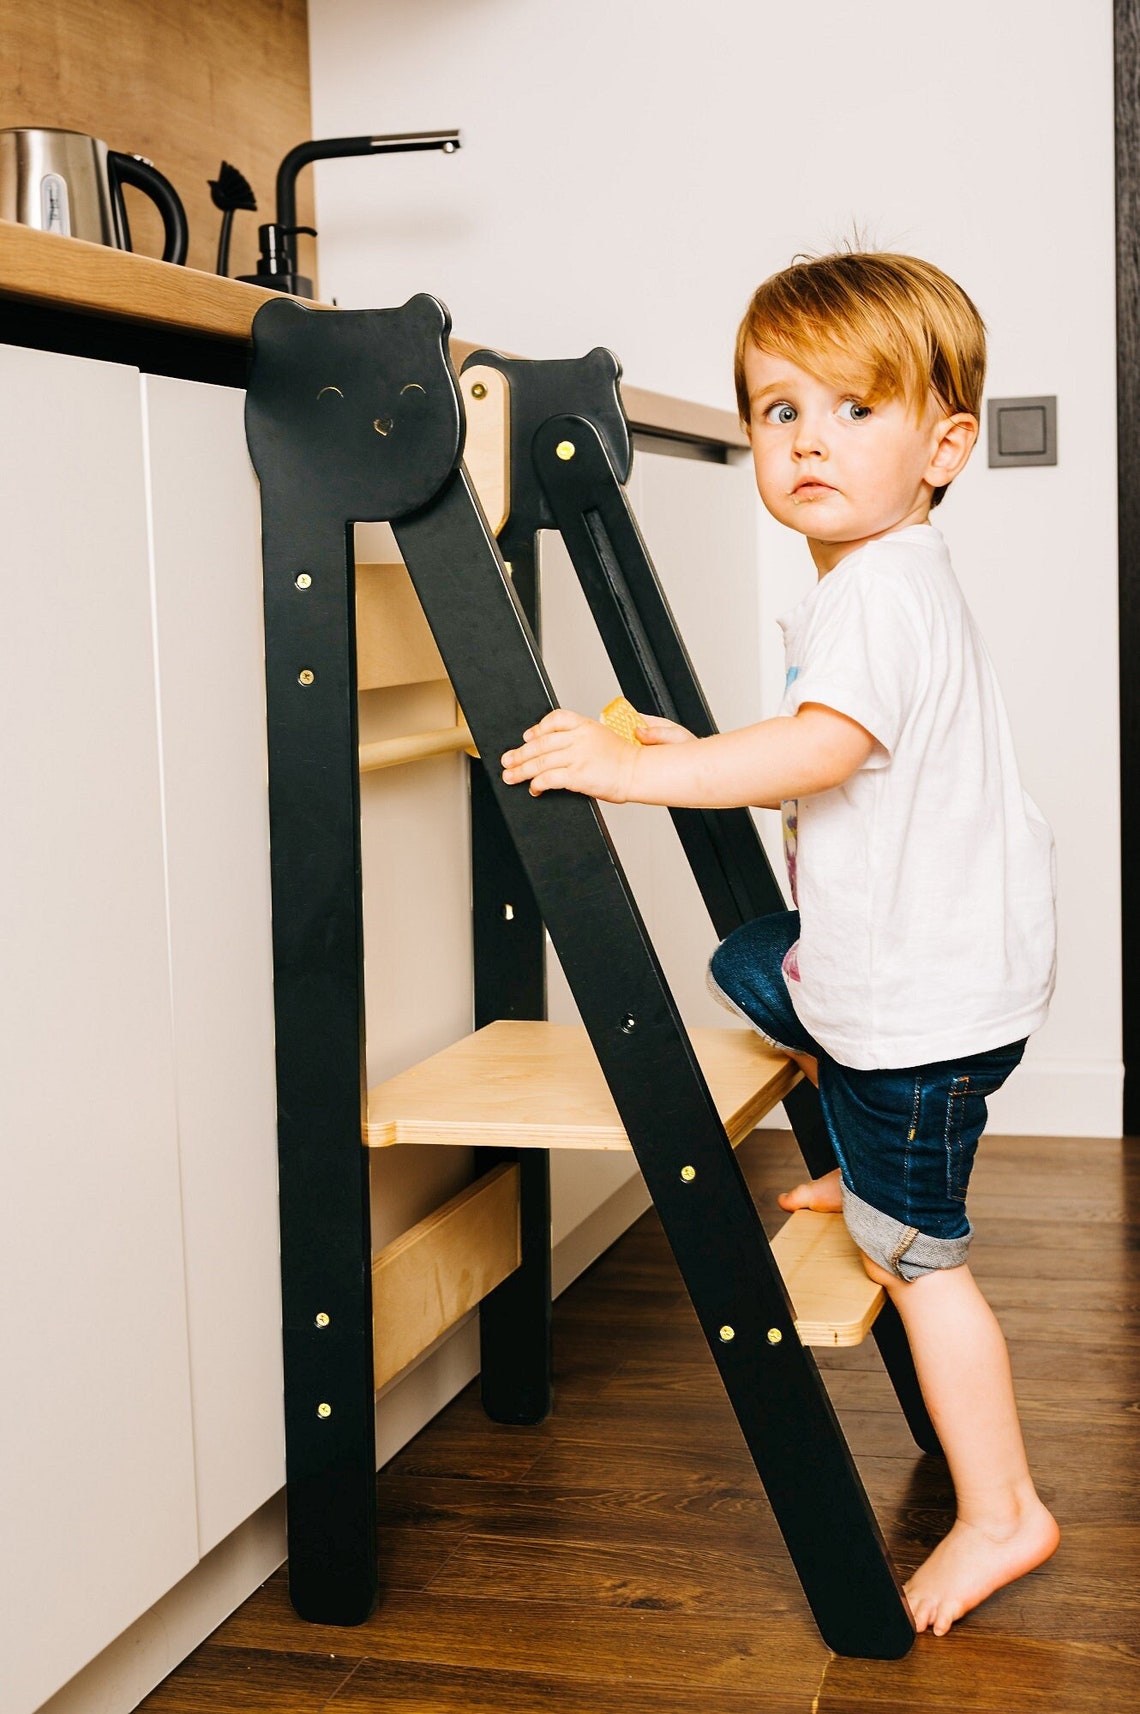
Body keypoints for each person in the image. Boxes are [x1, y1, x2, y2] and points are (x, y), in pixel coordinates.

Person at [500, 250, 1060, 1636]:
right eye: (779, 410)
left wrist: (635, 776)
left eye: (855, 409)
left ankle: (1003, 1510)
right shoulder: (886, 574)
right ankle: (866, 1157)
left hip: (924, 1006)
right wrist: (699, 749)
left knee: (920, 1258)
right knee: (758, 962)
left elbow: (825, 743)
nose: (810, 438)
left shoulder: (877, 588)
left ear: (943, 447)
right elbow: (838, 764)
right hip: (923, 978)